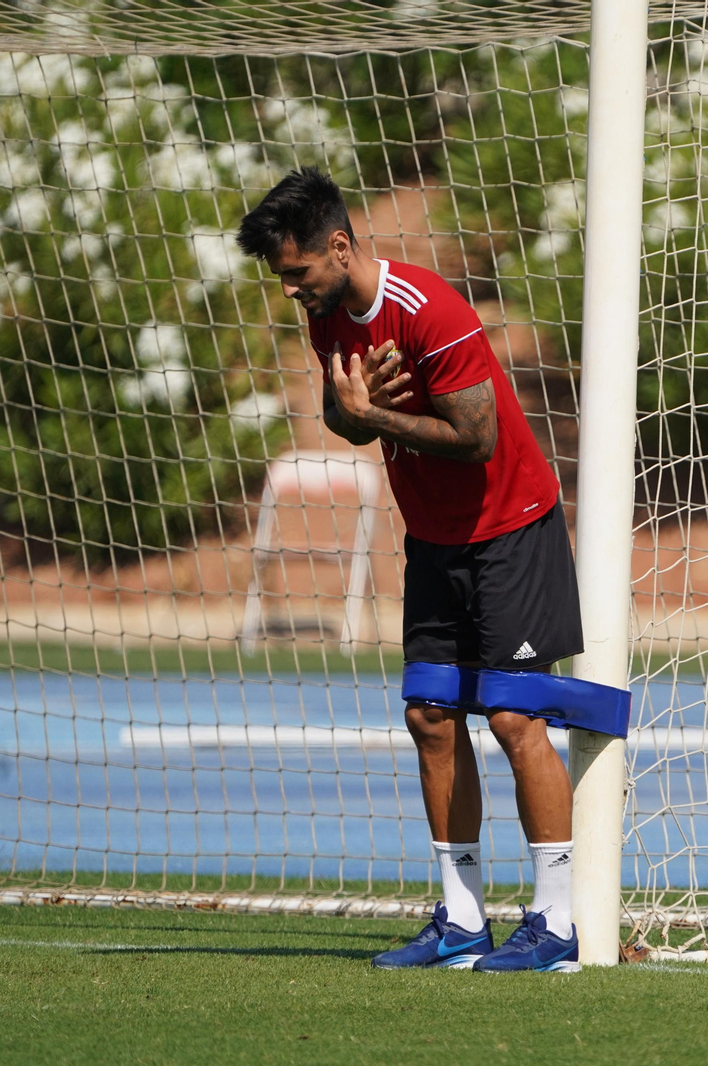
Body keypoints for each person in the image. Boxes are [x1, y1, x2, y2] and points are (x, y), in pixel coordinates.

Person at [236, 167, 585, 973]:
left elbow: (477, 438)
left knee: (514, 719)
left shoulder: (431, 309)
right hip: (432, 538)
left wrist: (375, 415)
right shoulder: (326, 317)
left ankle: (556, 924)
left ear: (340, 246)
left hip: (510, 531)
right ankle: (462, 920)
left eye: (297, 271)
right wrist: (354, 412)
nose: (290, 289)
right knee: (430, 715)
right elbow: (347, 416)